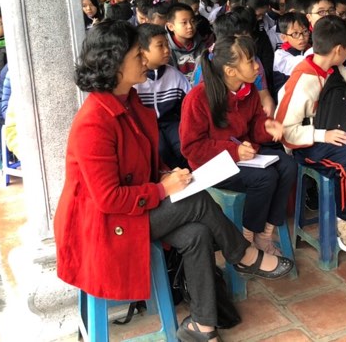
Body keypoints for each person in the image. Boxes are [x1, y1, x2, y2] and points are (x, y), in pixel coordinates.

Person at [54, 21, 293, 342]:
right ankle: (243, 254)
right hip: (103, 223)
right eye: (137, 55)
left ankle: (203, 327)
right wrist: (162, 189)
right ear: (113, 64)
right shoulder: (94, 122)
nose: (146, 60)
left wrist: (165, 173)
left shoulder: (131, 102)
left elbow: (145, 160)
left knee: (196, 233)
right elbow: (108, 199)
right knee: (196, 200)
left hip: (132, 210)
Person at [276, 16, 346, 254]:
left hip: (340, 135)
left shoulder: (340, 72)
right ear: (339, 49)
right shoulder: (302, 80)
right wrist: (322, 135)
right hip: (307, 144)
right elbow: (285, 131)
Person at [180, 35, 297, 254]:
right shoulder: (198, 98)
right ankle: (246, 240)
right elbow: (191, 147)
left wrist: (267, 127)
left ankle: (265, 234)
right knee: (266, 177)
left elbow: (255, 127)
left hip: (245, 156)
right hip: (210, 165)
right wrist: (234, 151)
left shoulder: (248, 91)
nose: (257, 66)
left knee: (289, 166)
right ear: (230, 71)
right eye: (250, 61)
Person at [135, 24, 191, 169]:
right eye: (160, 46)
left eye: (167, 44)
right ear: (142, 50)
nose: (167, 50)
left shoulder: (174, 75)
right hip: (145, 125)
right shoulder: (135, 79)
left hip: (171, 122)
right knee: (160, 150)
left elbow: (189, 104)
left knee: (184, 146)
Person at [166, 3, 205, 83]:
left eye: (192, 21)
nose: (190, 26)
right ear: (171, 27)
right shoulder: (166, 49)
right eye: (184, 22)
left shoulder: (201, 44)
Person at [273, 12, 311, 93]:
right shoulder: (280, 55)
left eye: (305, 31)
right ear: (284, 37)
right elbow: (302, 63)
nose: (301, 37)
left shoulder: (308, 49)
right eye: (295, 34)